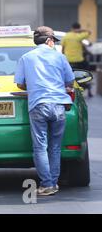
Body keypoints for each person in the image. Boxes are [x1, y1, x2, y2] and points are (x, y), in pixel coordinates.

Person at [14, 26, 75, 196]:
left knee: (40, 147)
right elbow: (70, 81)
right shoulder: (60, 57)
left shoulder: (26, 58)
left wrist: (33, 85)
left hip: (38, 105)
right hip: (58, 105)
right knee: (54, 147)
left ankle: (47, 184)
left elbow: (19, 83)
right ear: (49, 41)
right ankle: (53, 183)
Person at [61, 23, 93, 97]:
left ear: (71, 28)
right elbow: (89, 32)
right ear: (78, 28)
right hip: (79, 60)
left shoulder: (66, 36)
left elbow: (63, 49)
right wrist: (81, 30)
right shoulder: (79, 36)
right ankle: (87, 84)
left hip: (68, 60)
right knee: (86, 73)